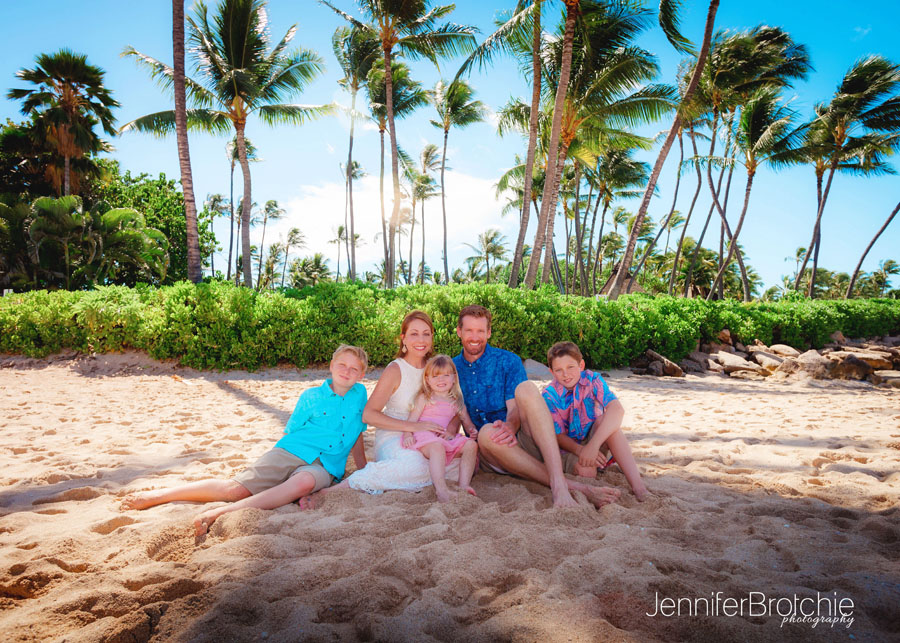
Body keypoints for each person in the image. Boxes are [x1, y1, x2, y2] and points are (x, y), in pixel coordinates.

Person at [121, 344, 369, 536]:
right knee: (235, 489)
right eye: (342, 365)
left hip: (324, 467)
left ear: (362, 374)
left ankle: (220, 513)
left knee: (304, 482)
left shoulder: (361, 395)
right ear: (331, 366)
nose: (346, 371)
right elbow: (292, 431)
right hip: (293, 450)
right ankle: (160, 495)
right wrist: (275, 465)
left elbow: (357, 432)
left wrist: (362, 470)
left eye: (354, 368)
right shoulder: (311, 396)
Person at [453, 305, 621, 509]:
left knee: (525, 388)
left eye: (480, 330)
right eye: (469, 330)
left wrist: (510, 425)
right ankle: (572, 486)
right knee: (486, 433)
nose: (475, 336)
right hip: (493, 452)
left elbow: (515, 408)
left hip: (525, 437)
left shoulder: (508, 361)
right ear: (459, 331)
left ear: (488, 332)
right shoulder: (451, 369)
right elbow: (453, 412)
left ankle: (559, 482)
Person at [300, 310, 460, 508]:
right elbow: (369, 414)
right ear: (403, 338)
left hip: (429, 437)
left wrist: (452, 429)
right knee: (417, 466)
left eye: (426, 333)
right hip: (395, 435)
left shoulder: (436, 367)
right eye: (414, 333)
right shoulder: (396, 369)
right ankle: (330, 491)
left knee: (459, 461)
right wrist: (414, 427)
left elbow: (456, 403)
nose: (421, 339)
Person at [543, 341, 650, 501]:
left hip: (595, 440)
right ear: (552, 372)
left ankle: (639, 487)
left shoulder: (593, 380)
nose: (565, 374)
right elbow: (557, 436)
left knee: (607, 422)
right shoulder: (549, 395)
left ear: (581, 365)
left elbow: (617, 409)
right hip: (570, 448)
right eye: (559, 370)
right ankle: (593, 466)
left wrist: (593, 447)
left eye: (571, 367)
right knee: (587, 472)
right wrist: (581, 451)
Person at [402, 354, 479, 502]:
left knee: (471, 445)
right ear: (427, 379)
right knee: (437, 447)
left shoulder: (456, 401)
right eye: (436, 376)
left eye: (446, 375)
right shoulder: (424, 397)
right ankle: (441, 490)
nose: (441, 380)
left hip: (445, 437)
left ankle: (464, 485)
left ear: (454, 378)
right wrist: (407, 435)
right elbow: (411, 421)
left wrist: (472, 431)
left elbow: (467, 422)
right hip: (426, 437)